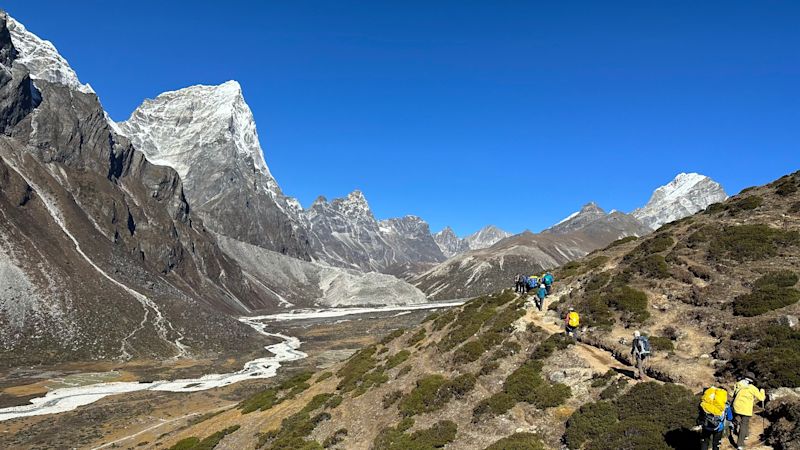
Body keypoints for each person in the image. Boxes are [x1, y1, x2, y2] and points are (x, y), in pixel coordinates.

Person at [732, 372, 766, 449]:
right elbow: (761, 398)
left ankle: (745, 435)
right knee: (744, 424)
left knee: (742, 421)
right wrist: (762, 390)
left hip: (736, 406)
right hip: (745, 408)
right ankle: (740, 444)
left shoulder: (738, 384)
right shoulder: (752, 388)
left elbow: (733, 394)